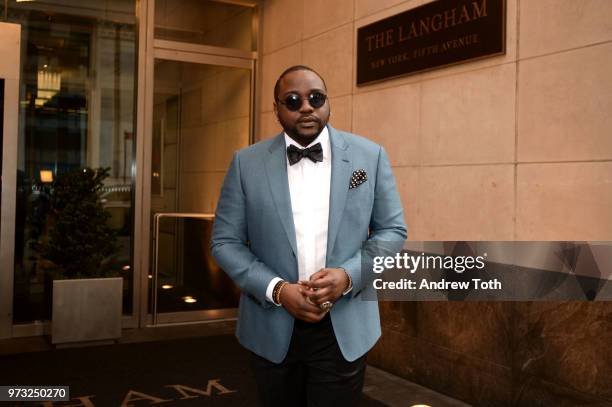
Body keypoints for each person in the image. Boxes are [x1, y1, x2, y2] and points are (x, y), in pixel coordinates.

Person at [211, 65, 407, 406]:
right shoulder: (246, 163)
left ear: (327, 103)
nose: (306, 106)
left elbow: (392, 230)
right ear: (276, 109)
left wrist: (348, 275)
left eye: (316, 98)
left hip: (343, 326)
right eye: (293, 99)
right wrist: (278, 290)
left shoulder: (369, 156)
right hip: (271, 325)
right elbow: (225, 242)